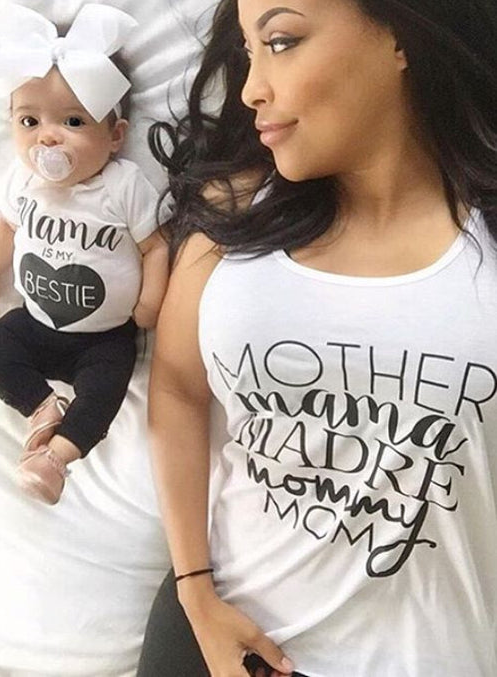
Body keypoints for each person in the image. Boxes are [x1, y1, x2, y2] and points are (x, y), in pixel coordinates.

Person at [139, 0, 497, 675]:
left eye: (281, 41)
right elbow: (178, 387)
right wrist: (195, 590)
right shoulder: (234, 210)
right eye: (247, 53)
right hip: (221, 639)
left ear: (399, 36)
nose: (250, 90)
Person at [0, 4, 169, 505]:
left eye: (73, 120)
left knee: (105, 392)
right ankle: (42, 408)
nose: (47, 136)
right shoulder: (22, 180)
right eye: (29, 120)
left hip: (104, 338)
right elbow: (5, 224)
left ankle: (55, 458)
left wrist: (150, 302)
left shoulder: (123, 186)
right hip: (35, 321)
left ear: (115, 135)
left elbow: (154, 245)